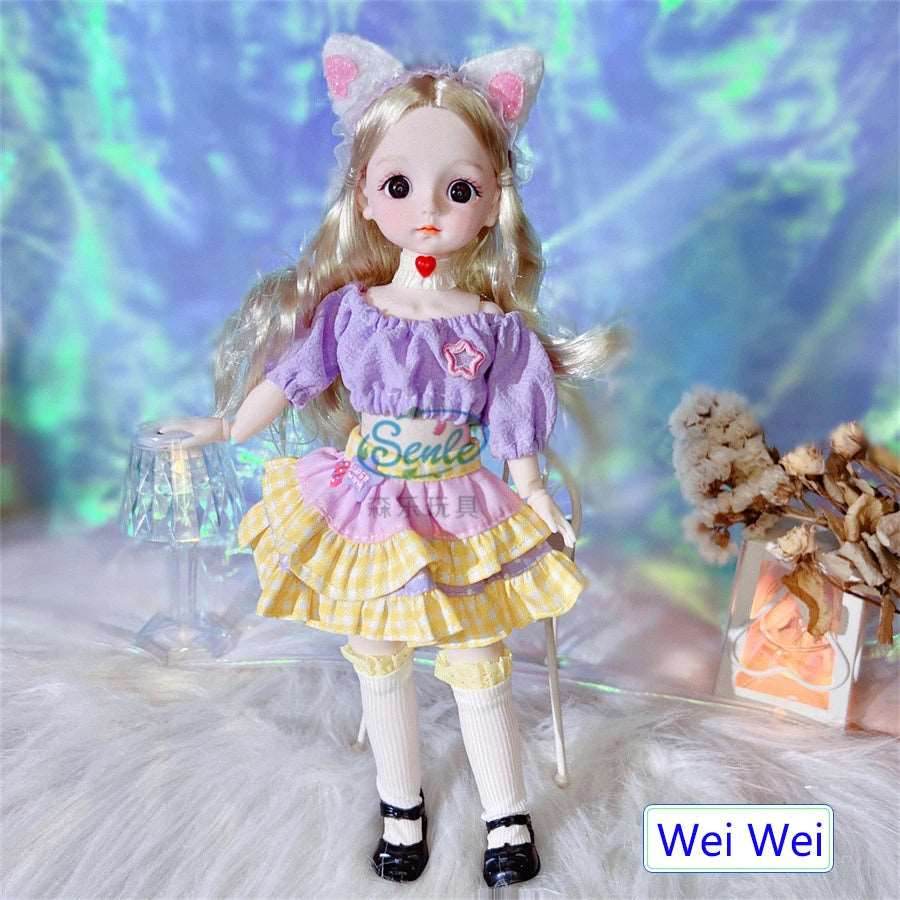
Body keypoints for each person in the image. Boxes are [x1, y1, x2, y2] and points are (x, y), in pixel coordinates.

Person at [158, 34, 624, 889]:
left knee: (477, 653)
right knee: (377, 650)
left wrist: (533, 494)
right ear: (366, 196)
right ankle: (400, 806)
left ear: (493, 201)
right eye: (400, 185)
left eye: (460, 189)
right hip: (368, 501)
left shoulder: (495, 328)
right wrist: (225, 427)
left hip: (461, 502)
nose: (429, 210)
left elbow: (516, 426)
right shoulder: (350, 311)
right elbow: (290, 381)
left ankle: (506, 814)